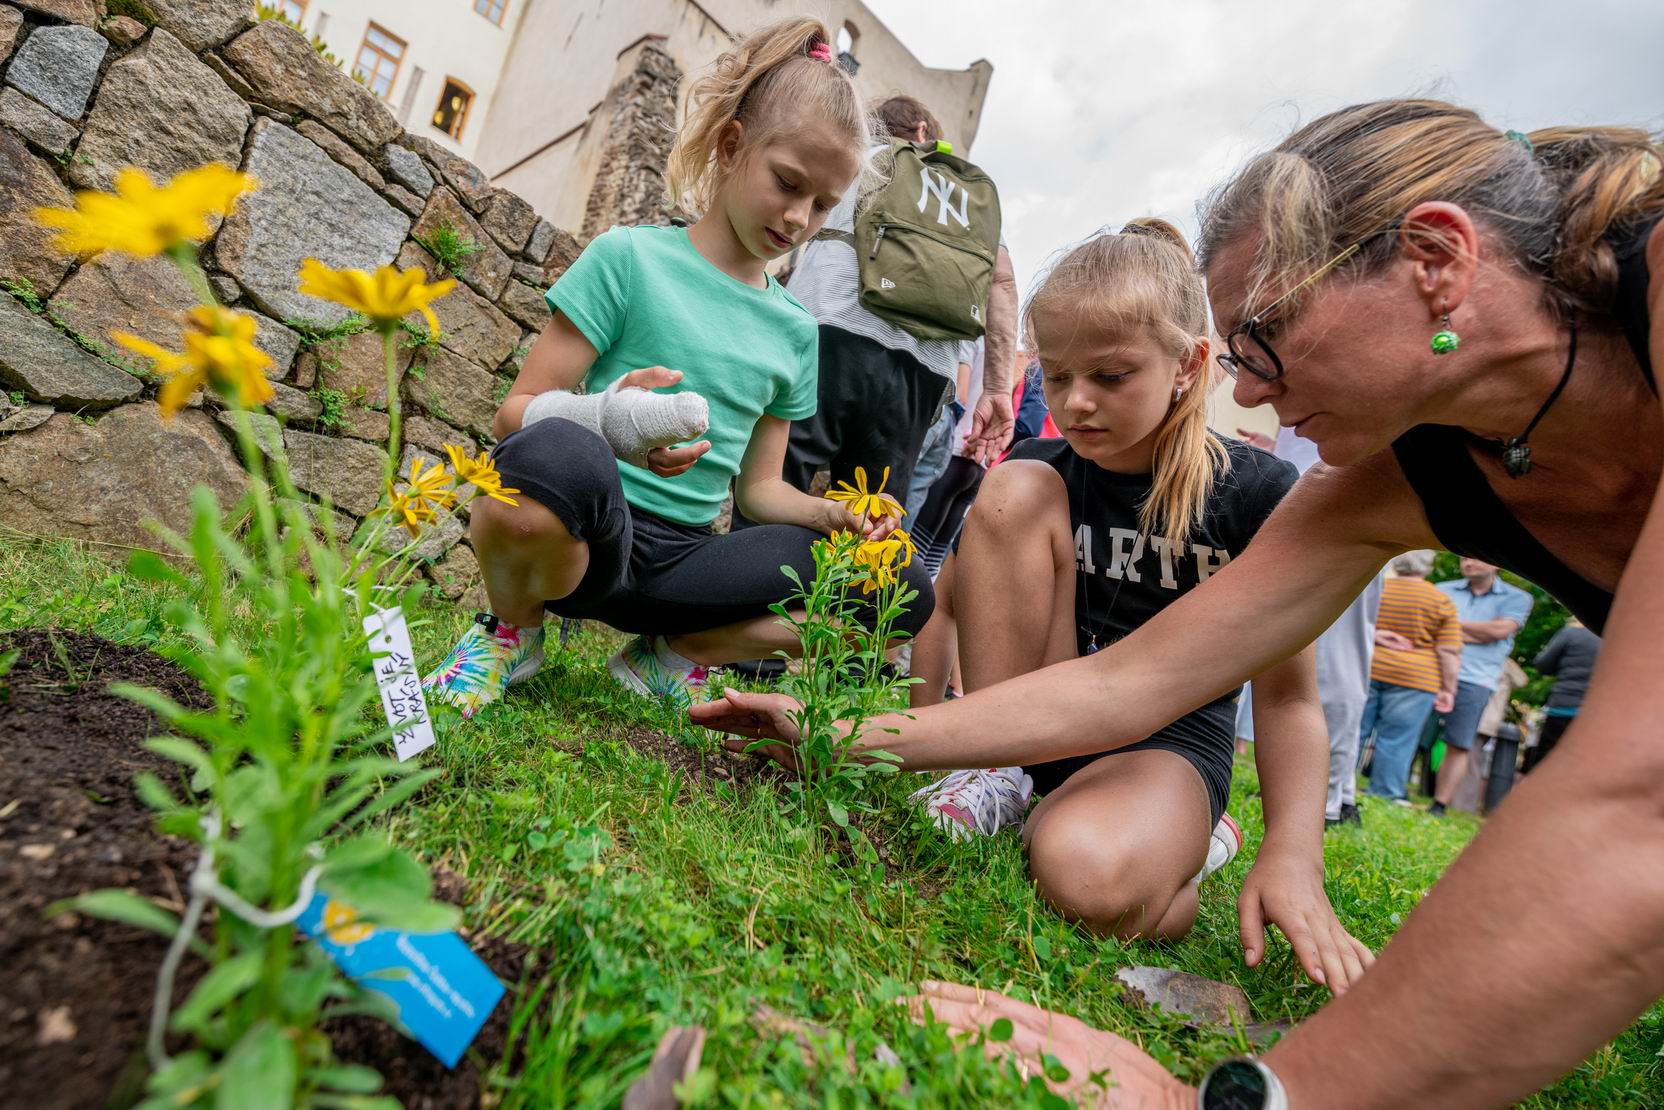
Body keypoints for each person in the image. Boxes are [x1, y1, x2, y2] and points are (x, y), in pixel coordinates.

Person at [693, 100, 1664, 1106]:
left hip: (1167, 768)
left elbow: (1636, 795)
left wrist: (1258, 1082)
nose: (1246, 385)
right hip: (1080, 749)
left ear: (1433, 259)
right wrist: (842, 727)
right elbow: (1125, 680)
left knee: (1089, 870)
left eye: (1264, 338)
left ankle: (1185, 835)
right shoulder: (1389, 481)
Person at [783, 223, 1374, 967]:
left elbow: (1289, 699)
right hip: (1037, 717)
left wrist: (1294, 852)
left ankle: (1189, 848)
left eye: (1111, 376)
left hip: (1165, 746)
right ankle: (1002, 774)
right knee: (1016, 482)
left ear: (1189, 364)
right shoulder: (1038, 472)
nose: (1078, 401)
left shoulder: (1254, 493)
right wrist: (931, 726)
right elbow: (949, 599)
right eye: (1057, 376)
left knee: (1083, 878)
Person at [420, 19, 933, 718]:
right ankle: (512, 633)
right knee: (546, 452)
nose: (798, 216)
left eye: (823, 205)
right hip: (588, 541)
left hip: (688, 568)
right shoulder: (628, 258)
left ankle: (672, 658)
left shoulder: (794, 330)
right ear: (731, 146)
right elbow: (516, 414)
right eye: (787, 183)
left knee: (900, 588)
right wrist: (603, 417)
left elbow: (757, 492)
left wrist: (831, 515)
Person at [781, 95, 1020, 503]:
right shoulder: (969, 196)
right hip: (924, 367)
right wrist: (997, 388)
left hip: (831, 330)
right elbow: (1002, 284)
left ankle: (753, 564)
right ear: (923, 131)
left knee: (777, 482)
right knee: (869, 520)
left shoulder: (863, 156)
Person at [1235, 425, 1383, 826]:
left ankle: (1331, 797)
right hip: (1303, 491)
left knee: (1333, 664)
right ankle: (1337, 791)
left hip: (1344, 500)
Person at [1424, 558, 1533, 815]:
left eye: (1475, 557)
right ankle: (1391, 789)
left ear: (1496, 564)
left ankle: (1439, 804)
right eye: (1464, 557)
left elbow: (1498, 631)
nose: (1468, 562)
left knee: (1460, 742)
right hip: (1431, 670)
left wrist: (1448, 626)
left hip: (1477, 679)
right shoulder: (1442, 589)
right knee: (1409, 732)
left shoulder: (1518, 598)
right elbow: (1427, 626)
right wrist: (1479, 632)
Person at [1358, 550, 1461, 802]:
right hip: (1415, 678)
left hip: (1368, 666)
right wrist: (1449, 689)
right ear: (1428, 567)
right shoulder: (1440, 600)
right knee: (1398, 739)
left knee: (1355, 731)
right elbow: (1448, 650)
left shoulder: (1376, 589)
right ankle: (1386, 792)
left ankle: (1332, 782)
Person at [1524, 619, 1602, 772]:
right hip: (1595, 712)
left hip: (1563, 706)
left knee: (1545, 763)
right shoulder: (1615, 638)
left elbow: (1543, 665)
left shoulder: (1570, 633)